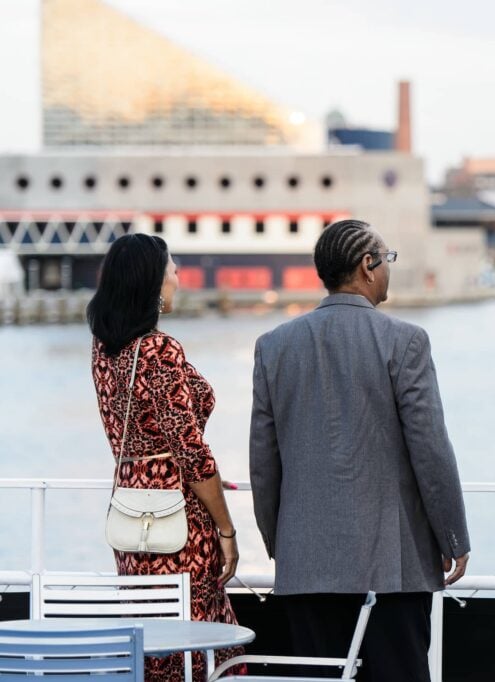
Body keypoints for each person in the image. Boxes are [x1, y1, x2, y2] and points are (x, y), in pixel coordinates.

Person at [250, 219, 471, 682]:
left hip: (305, 564)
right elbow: (430, 449)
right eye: (387, 259)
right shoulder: (404, 341)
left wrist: (281, 543)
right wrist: (452, 537)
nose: (389, 268)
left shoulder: (274, 346)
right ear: (367, 267)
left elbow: (263, 463)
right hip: (392, 568)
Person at [88, 234, 244, 682]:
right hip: (178, 522)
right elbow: (191, 452)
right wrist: (226, 528)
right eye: (173, 268)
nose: (179, 277)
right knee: (191, 642)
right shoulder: (159, 351)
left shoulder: (104, 348)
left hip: (131, 519)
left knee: (147, 639)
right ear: (153, 282)